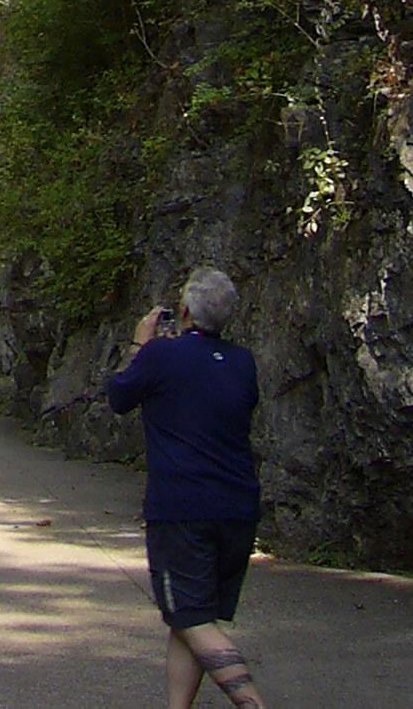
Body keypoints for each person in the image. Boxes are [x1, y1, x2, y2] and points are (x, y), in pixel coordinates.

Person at [105, 268, 267, 709]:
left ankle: (251, 702)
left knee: (192, 618)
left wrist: (141, 344)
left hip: (182, 512)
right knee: (190, 616)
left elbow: (118, 396)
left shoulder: (160, 357)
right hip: (237, 509)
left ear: (184, 311)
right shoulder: (243, 362)